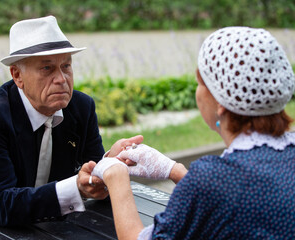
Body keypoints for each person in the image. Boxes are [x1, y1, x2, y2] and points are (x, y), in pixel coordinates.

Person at [91, 26, 295, 239]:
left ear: (220, 103)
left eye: (200, 82)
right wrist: (174, 170)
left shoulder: (212, 179)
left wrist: (115, 176)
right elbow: (240, 197)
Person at [0, 15, 143, 226]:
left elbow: (90, 175)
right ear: (17, 76)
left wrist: (108, 163)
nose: (61, 79)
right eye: (47, 68)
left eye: (66, 66)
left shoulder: (81, 108)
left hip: (50, 228)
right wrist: (74, 188)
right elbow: (0, 205)